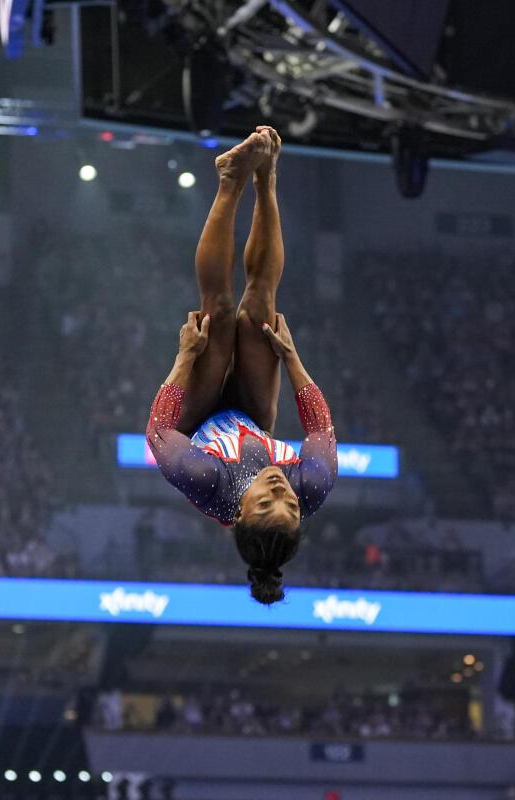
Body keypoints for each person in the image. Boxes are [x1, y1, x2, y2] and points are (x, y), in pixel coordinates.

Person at [145, 126, 338, 605]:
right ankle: (266, 179)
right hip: (254, 415)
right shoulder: (312, 485)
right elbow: (319, 423)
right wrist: (291, 357)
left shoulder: (209, 482)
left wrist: (185, 357)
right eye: (289, 503)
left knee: (219, 311)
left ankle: (230, 179)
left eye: (266, 502)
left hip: (197, 418)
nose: (279, 489)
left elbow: (157, 433)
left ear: (240, 515)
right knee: (259, 313)